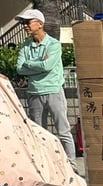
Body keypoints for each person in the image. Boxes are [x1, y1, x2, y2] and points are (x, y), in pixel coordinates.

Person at [15, 10, 75, 161]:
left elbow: (48, 66)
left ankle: (72, 165)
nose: (25, 26)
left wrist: (30, 66)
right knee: (38, 133)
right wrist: (37, 64)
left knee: (63, 131)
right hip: (34, 93)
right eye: (23, 23)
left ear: (40, 24)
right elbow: (20, 68)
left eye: (27, 22)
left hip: (54, 91)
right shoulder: (26, 46)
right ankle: (45, 164)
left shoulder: (53, 44)